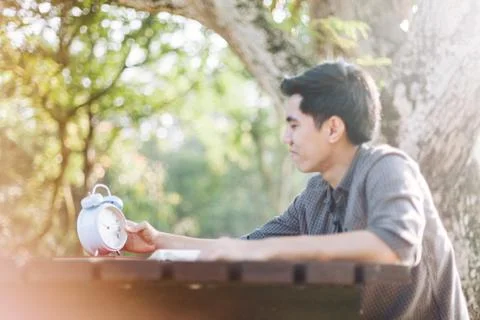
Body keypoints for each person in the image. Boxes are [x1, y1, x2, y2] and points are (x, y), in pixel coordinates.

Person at [124, 61, 469, 319]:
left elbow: (396, 246)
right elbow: (243, 249)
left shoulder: (388, 167)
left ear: (333, 128)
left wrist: (273, 250)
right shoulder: (315, 195)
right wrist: (159, 240)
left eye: (294, 125)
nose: (286, 138)